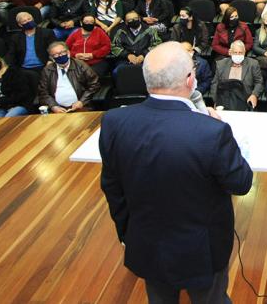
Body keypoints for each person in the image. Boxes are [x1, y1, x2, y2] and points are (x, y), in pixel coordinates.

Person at [99, 42, 251, 303]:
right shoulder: (212, 132)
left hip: (146, 243)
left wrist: (128, 235)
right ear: (190, 80)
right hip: (202, 252)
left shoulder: (114, 122)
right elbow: (241, 183)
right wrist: (225, 134)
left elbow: (112, 188)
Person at [38, 41, 101, 113]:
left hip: (81, 107)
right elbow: (43, 92)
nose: (60, 56)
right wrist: (53, 106)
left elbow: (94, 84)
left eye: (62, 52)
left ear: (68, 53)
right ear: (52, 58)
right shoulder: (47, 70)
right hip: (57, 110)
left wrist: (82, 101)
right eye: (56, 54)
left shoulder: (80, 65)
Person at [210, 40, 264, 110]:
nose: (238, 55)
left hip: (245, 99)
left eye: (240, 53)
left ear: (244, 52)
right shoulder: (221, 64)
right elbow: (215, 84)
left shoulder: (253, 64)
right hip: (224, 99)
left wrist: (254, 95)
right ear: (230, 52)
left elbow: (259, 82)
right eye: (235, 52)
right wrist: (216, 100)